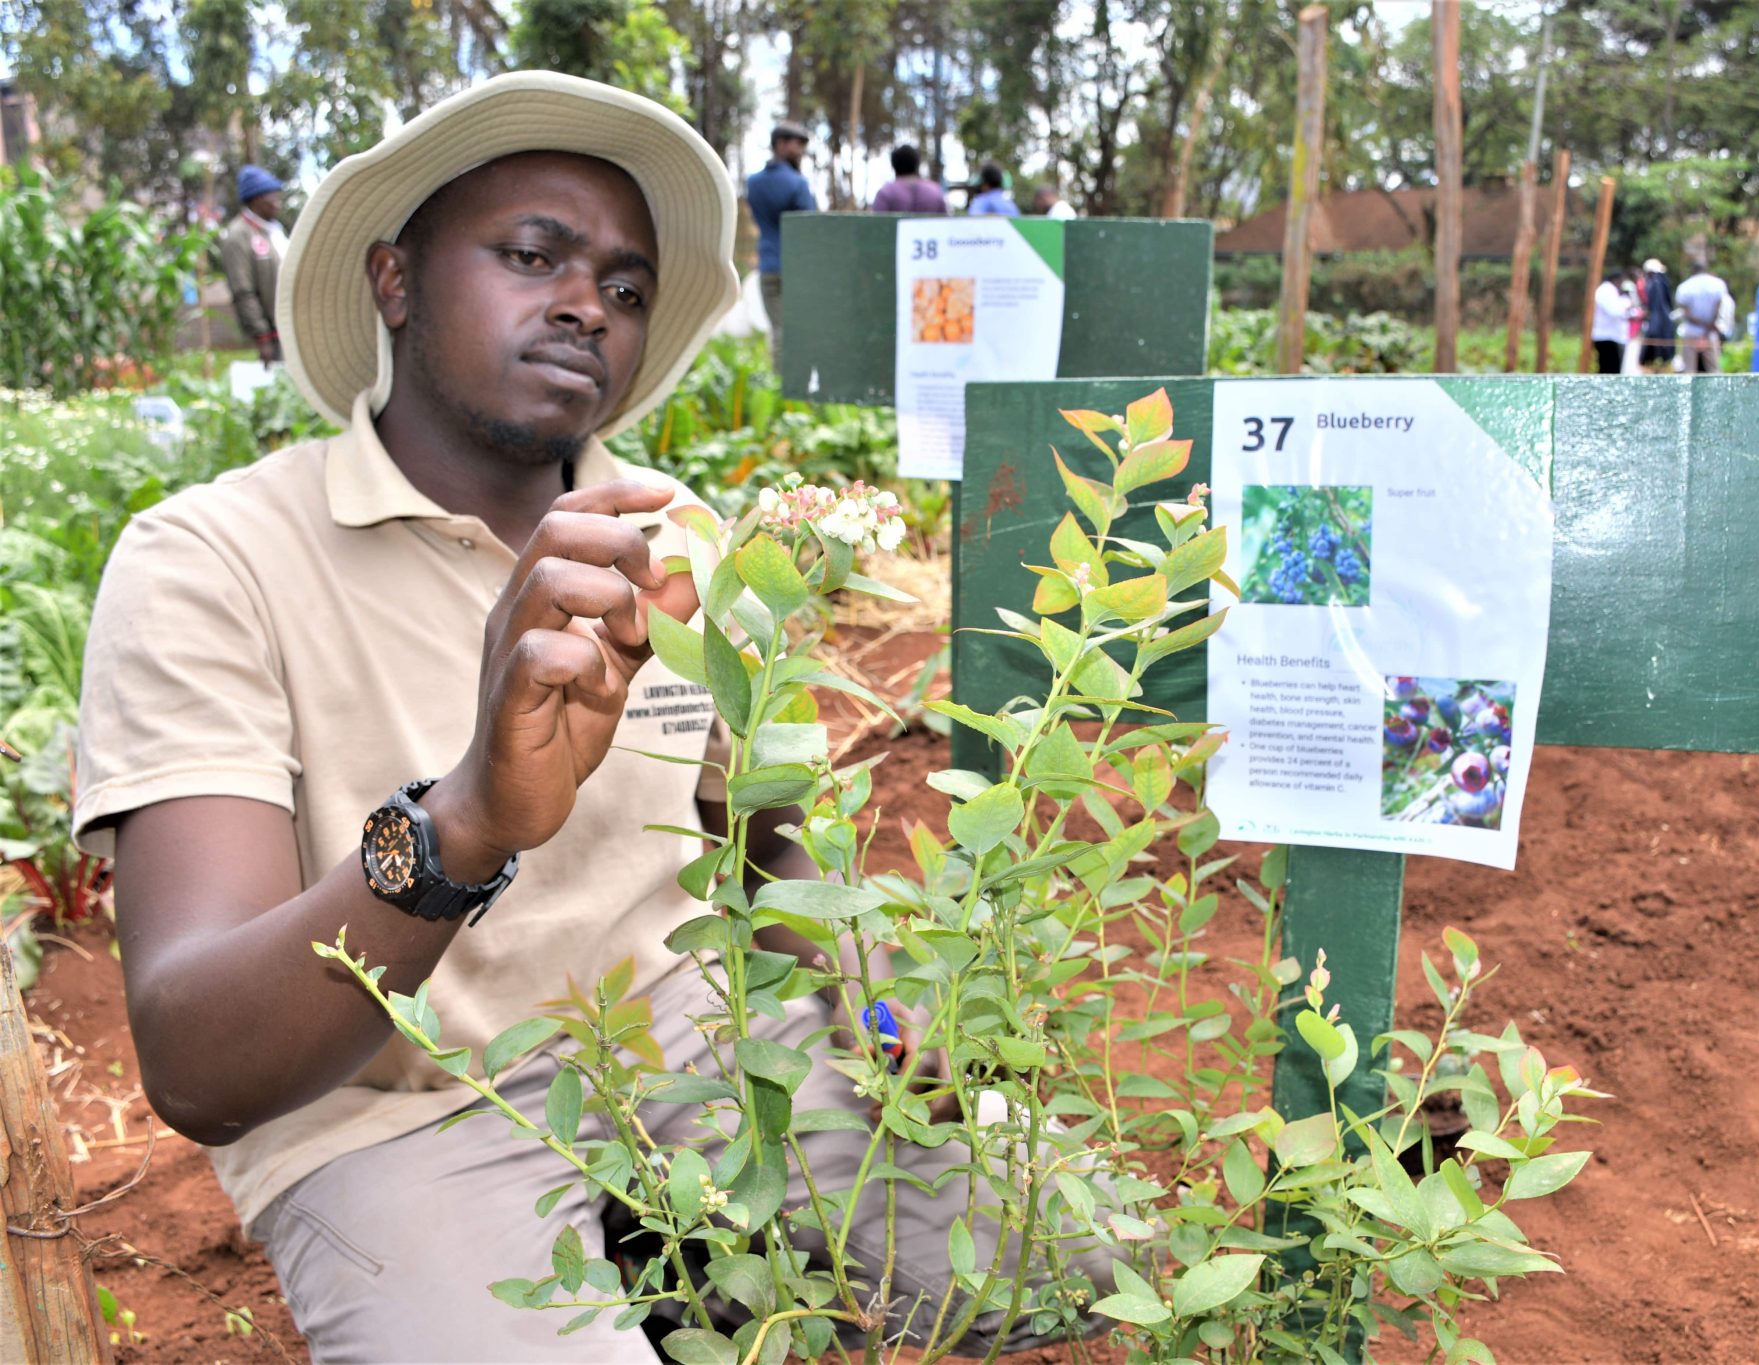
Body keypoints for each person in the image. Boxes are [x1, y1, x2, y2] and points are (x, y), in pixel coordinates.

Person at [73, 72, 1105, 1361]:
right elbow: (197, 1063)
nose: (584, 305)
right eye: (531, 255)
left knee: (1070, 1257)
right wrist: (463, 824)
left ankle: (680, 1271)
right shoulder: (210, 560)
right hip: (397, 1111)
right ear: (394, 281)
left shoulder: (682, 541)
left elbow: (769, 841)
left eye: (624, 289)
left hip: (698, 1048)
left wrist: (879, 1011)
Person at [744, 119, 815, 366]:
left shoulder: (752, 183)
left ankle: (781, 387)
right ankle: (793, 387)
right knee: (797, 331)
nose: (801, 152)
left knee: (778, 329)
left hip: (768, 265)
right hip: (797, 268)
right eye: (797, 145)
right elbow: (809, 228)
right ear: (780, 144)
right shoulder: (798, 184)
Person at [218, 164, 290, 364]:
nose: (278, 202)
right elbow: (243, 290)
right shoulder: (238, 236)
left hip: (292, 327)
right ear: (256, 199)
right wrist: (262, 337)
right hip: (273, 334)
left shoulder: (275, 230)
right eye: (272, 196)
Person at [1673, 253, 1731, 374]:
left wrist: (1701, 324)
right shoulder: (1717, 284)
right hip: (1710, 330)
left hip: (1691, 329)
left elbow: (1686, 311)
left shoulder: (1685, 286)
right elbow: (1718, 306)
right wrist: (1709, 325)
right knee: (1713, 368)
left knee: (1689, 369)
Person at [870, 143, 947, 214]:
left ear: (894, 166)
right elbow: (946, 222)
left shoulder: (886, 193)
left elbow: (876, 225)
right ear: (917, 164)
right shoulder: (935, 191)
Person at [1591, 268, 1635, 375]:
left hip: (1612, 336)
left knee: (1612, 369)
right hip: (1607, 337)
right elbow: (1615, 311)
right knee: (1609, 371)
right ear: (1616, 280)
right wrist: (1627, 306)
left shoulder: (1611, 291)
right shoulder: (1607, 290)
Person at [1638, 258, 1675, 370]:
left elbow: (1658, 306)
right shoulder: (1659, 282)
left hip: (1658, 325)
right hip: (1659, 323)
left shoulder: (1657, 283)